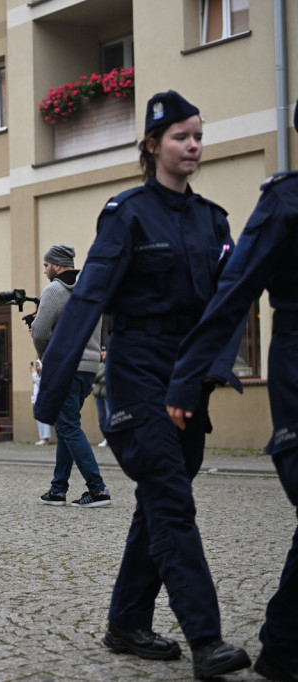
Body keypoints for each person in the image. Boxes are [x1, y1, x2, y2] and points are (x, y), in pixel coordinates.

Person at [34, 91, 250, 678]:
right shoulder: (126, 213)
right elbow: (89, 302)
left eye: (199, 136)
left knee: (158, 502)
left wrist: (210, 370)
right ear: (154, 145)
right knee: (173, 502)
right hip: (132, 375)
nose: (193, 146)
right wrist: (51, 396)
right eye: (181, 136)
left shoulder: (213, 220)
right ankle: (207, 640)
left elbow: (229, 308)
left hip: (188, 377)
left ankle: (126, 622)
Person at [165, 101, 298, 682]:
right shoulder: (287, 199)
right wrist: (190, 377)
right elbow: (233, 293)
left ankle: (285, 644)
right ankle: (283, 644)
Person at [31, 243, 110, 508]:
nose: (44, 270)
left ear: (57, 264)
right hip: (88, 367)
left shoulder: (54, 289)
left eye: (46, 265)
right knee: (67, 425)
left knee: (68, 427)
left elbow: (41, 333)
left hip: (65, 367)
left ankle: (98, 490)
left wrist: (47, 358)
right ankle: (58, 489)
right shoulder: (89, 289)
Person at [31, 360, 51, 446]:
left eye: (38, 365)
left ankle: (45, 437)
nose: (37, 367)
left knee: (43, 419)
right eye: (36, 366)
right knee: (39, 419)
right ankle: (42, 437)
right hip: (37, 401)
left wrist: (34, 373)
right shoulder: (36, 376)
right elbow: (34, 390)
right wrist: (32, 401)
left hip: (44, 400)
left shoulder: (44, 375)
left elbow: (41, 384)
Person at [93, 347, 109, 447]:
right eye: (102, 351)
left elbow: (107, 378)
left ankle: (109, 438)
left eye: (104, 351)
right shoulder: (98, 364)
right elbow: (93, 377)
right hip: (98, 394)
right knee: (101, 417)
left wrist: (98, 378)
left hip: (107, 394)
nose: (103, 353)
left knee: (109, 416)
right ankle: (105, 437)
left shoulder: (111, 362)